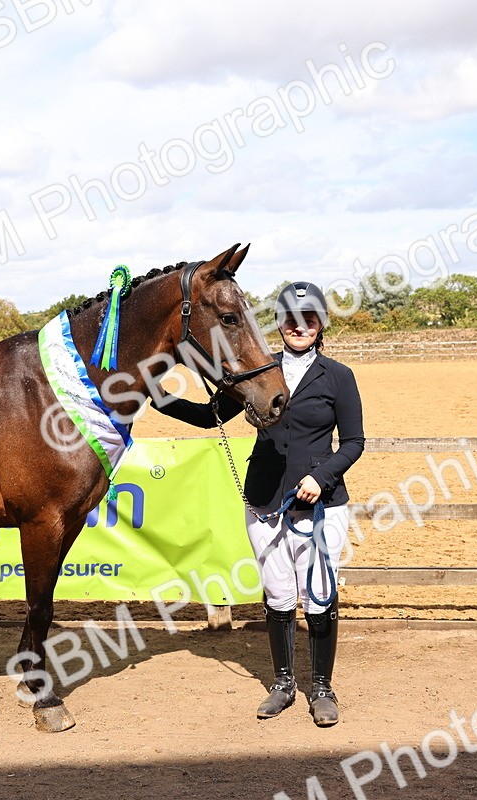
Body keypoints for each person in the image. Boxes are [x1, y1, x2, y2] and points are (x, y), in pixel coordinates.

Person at [152, 281, 365, 726]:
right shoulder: (258, 371)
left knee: (319, 595)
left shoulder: (338, 376)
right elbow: (209, 416)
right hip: (265, 499)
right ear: (280, 323)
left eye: (309, 319)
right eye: (291, 318)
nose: (299, 327)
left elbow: (354, 442)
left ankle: (322, 688)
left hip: (320, 503)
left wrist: (321, 477)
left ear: (320, 324)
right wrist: (156, 394)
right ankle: (283, 684)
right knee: (278, 592)